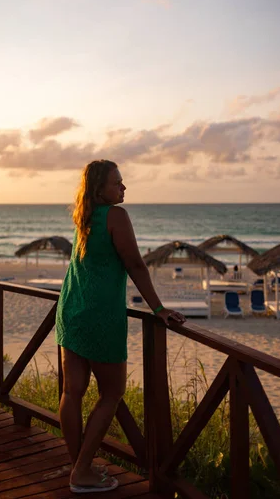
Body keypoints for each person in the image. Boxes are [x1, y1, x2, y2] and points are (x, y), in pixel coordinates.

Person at [55, 159, 186, 494]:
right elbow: (136, 264)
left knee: (72, 392)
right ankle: (81, 471)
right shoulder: (116, 215)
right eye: (118, 183)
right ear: (101, 189)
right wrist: (158, 308)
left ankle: (78, 467)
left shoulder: (83, 216)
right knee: (111, 393)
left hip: (71, 310)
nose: (124, 188)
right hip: (100, 315)